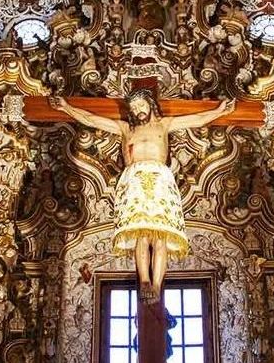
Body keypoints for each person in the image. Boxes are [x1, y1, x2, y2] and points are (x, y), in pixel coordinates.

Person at [52, 89, 235, 299]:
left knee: (160, 238)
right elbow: (91, 119)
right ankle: (145, 282)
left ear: (151, 105)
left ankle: (157, 286)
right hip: (135, 181)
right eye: (134, 108)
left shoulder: (164, 125)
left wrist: (220, 110)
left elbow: (197, 118)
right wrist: (66, 107)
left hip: (160, 181)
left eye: (142, 105)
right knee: (142, 235)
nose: (138, 110)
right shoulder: (126, 128)